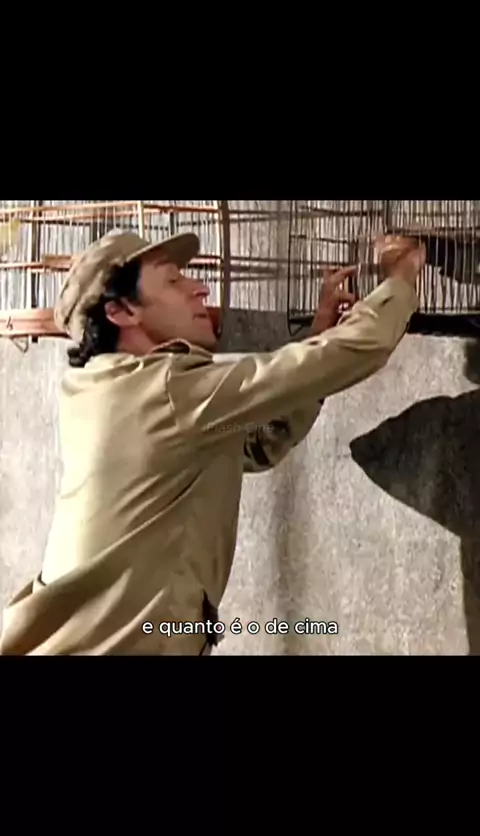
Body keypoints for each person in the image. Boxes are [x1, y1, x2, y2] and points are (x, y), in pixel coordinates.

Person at [0, 229, 425, 655]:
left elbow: (252, 444)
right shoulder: (167, 390)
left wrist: (318, 335)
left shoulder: (99, 390)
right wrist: (401, 278)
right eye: (172, 281)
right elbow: (355, 350)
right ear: (121, 311)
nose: (200, 289)